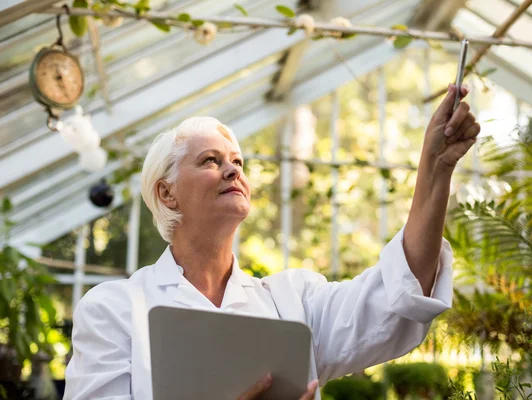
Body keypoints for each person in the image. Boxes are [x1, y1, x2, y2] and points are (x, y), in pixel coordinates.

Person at [64, 84, 479, 399]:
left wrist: (436, 168)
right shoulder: (115, 309)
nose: (232, 170)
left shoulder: (292, 300)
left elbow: (395, 295)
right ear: (166, 193)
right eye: (211, 160)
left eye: (237, 162)